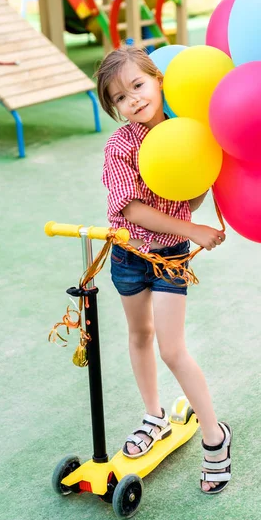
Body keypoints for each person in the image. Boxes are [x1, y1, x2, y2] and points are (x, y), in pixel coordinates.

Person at [95, 45, 232, 494]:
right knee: (139, 335)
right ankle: (153, 415)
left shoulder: (188, 132)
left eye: (138, 85)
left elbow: (191, 185)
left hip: (170, 257)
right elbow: (131, 208)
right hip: (128, 253)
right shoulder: (121, 146)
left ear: (158, 80)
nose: (133, 99)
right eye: (120, 97)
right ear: (114, 107)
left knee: (173, 349)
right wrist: (193, 227)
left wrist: (194, 218)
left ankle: (215, 437)